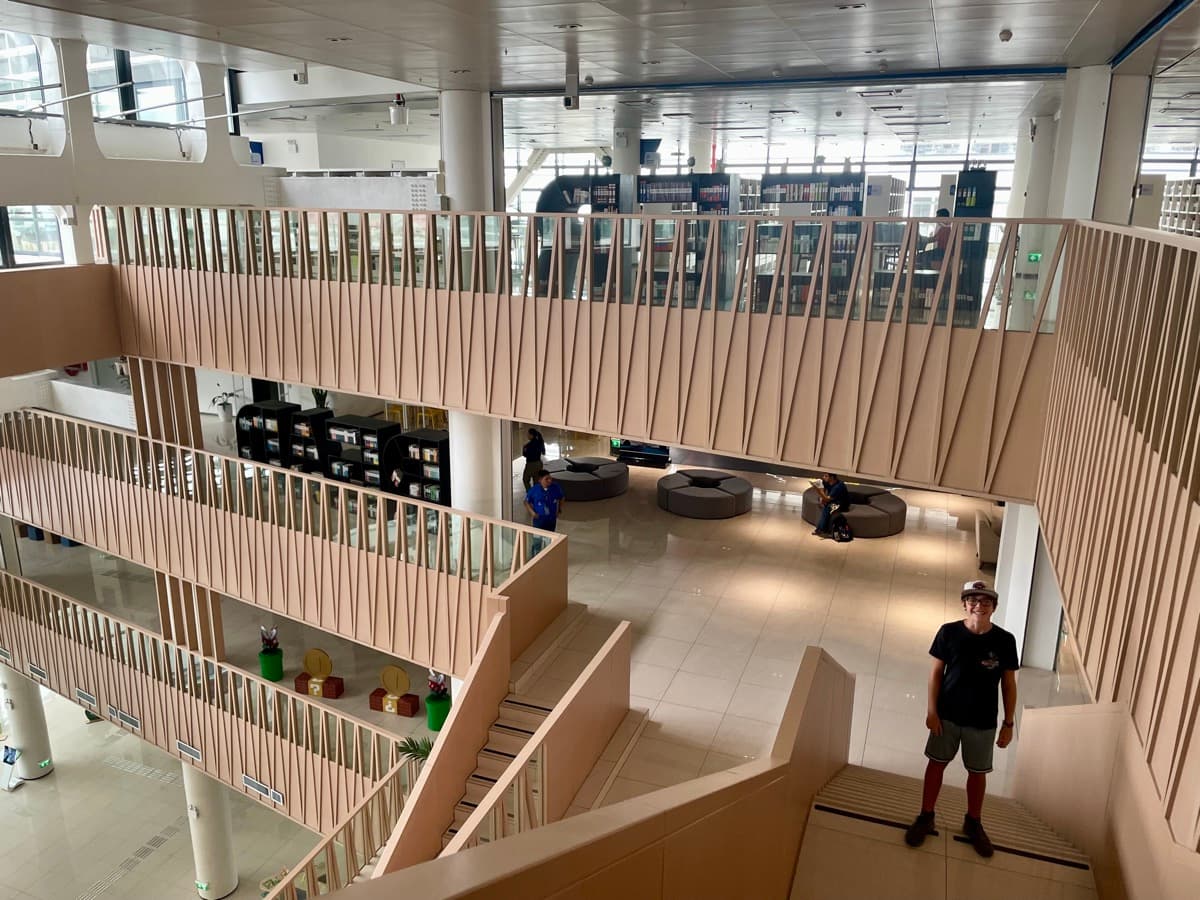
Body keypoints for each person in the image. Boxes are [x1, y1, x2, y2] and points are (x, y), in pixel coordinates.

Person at [904, 580, 1019, 858]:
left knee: (978, 773)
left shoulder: (1005, 641)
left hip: (983, 720)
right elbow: (936, 674)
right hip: (947, 716)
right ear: (964, 604)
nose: (979, 605)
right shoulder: (949, 632)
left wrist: (1009, 724)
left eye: (986, 601)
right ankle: (926, 816)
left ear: (994, 607)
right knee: (936, 765)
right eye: (973, 600)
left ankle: (973, 822)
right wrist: (932, 711)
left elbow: (1008, 684)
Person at [524, 470, 564, 552]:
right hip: (539, 519)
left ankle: (547, 555)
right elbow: (526, 502)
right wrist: (532, 513)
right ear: (540, 480)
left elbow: (561, 497)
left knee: (549, 539)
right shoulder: (534, 490)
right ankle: (536, 555)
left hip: (551, 519)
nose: (550, 481)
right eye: (546, 479)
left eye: (550, 478)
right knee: (537, 540)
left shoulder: (555, 487)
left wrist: (559, 509)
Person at [812, 473, 849, 537]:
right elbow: (823, 490)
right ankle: (821, 529)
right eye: (823, 475)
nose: (823, 477)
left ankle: (822, 529)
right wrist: (821, 498)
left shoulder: (838, 486)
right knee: (823, 501)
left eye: (826, 476)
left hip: (842, 504)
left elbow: (827, 499)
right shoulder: (827, 481)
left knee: (828, 507)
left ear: (832, 477)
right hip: (833, 500)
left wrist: (818, 491)